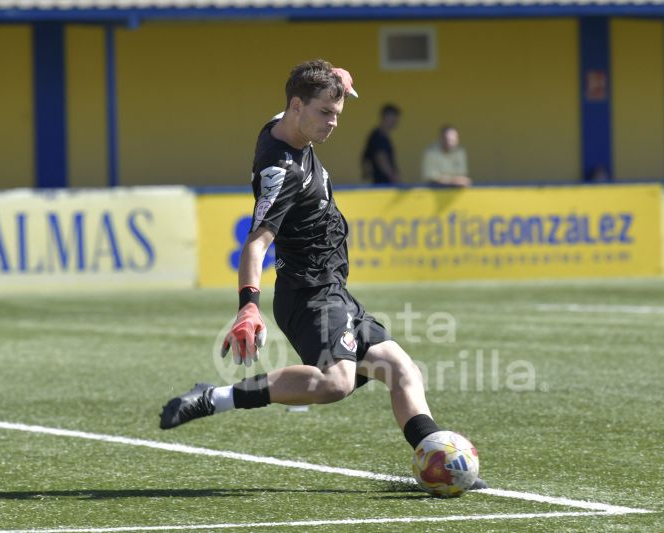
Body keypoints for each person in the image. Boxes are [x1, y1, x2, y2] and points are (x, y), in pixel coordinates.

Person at [158, 59, 485, 490]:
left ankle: (438, 459)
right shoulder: (282, 173)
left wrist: (334, 77)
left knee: (400, 369)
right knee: (335, 383)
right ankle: (213, 397)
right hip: (309, 293)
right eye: (325, 113)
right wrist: (248, 307)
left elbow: (308, 82)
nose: (333, 123)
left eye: (337, 114)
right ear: (296, 107)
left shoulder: (280, 122)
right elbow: (256, 242)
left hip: (334, 290)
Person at [361, 104, 401, 184]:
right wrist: (393, 177)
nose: (395, 122)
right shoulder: (378, 136)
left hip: (382, 183)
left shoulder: (382, 137)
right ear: (385, 117)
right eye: (393, 119)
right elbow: (381, 158)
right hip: (382, 185)